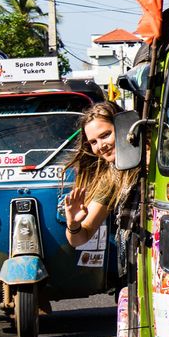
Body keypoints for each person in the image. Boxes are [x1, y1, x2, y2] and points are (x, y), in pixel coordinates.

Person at [63, 101, 137, 248]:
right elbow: (79, 239)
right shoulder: (113, 177)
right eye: (93, 142)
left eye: (105, 135)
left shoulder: (163, 146)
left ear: (123, 126)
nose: (101, 146)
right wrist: (74, 224)